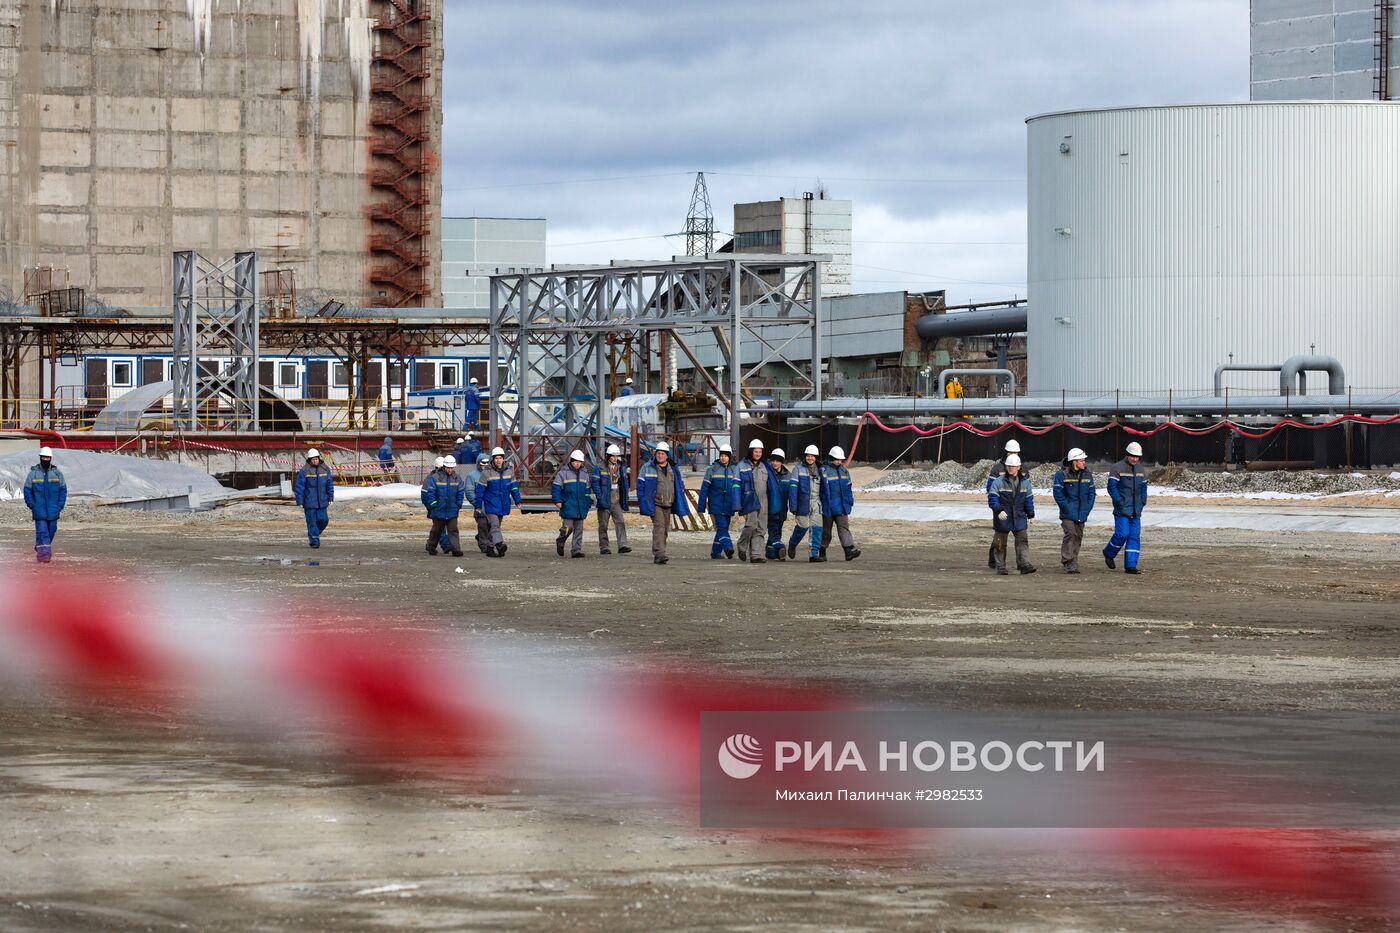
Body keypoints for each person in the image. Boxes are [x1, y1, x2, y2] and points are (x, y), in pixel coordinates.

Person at [636, 440, 689, 565]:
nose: (660, 456)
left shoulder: (673, 469)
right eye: (658, 453)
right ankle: (659, 554)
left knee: (665, 529)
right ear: (655, 454)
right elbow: (640, 485)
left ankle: (660, 551)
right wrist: (642, 501)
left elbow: (679, 484)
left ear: (667, 455)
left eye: (662, 454)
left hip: (669, 503)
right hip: (655, 503)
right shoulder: (647, 467)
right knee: (659, 527)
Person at [1104, 441, 1148, 575]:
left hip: (1136, 510)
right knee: (1122, 534)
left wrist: (1142, 501)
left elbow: (1144, 487)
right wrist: (1119, 501)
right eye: (1132, 456)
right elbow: (1112, 487)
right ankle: (1109, 553)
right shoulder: (1117, 467)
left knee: (1134, 537)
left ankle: (1130, 566)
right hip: (1122, 509)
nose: (1135, 459)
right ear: (1127, 454)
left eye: (1137, 456)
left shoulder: (1141, 469)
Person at [988, 453, 1036, 575]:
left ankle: (1024, 564)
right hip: (1003, 517)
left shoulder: (1025, 483)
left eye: (1013, 466)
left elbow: (1028, 499)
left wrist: (1030, 514)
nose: (1010, 468)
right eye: (1008, 466)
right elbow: (993, 498)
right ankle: (1000, 567)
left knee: (1022, 541)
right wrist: (998, 510)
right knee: (1000, 543)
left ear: (1018, 467)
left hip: (1019, 516)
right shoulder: (998, 482)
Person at [1052, 447, 1096, 574]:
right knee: (1070, 533)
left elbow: (1092, 493)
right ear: (1074, 461)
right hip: (1067, 513)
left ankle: (1073, 561)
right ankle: (1067, 560)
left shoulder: (1087, 474)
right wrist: (1067, 506)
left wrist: (1088, 507)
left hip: (1082, 512)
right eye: (1081, 460)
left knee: (1078, 535)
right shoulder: (1061, 475)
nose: (1084, 463)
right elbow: (1058, 493)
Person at [22, 447, 67, 564]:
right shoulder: (33, 474)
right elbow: (27, 490)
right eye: (44, 457)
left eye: (47, 457)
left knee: (51, 531)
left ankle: (40, 547)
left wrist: (60, 505)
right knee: (43, 533)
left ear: (50, 458)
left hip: (53, 510)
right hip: (39, 510)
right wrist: (32, 505)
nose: (45, 459)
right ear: (40, 458)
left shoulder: (57, 473)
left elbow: (63, 490)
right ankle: (44, 557)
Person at [475, 446, 521, 557]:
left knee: (496, 527)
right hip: (490, 503)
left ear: (503, 459)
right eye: (496, 458)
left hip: (503, 503)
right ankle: (500, 544)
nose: (498, 460)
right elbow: (480, 491)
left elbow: (514, 488)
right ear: (493, 459)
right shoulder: (486, 473)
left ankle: (490, 549)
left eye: (500, 458)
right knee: (495, 525)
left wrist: (517, 500)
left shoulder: (509, 472)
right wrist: (478, 505)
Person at [697, 443, 741, 559]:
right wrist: (701, 506)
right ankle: (728, 547)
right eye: (722, 455)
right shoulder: (712, 469)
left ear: (729, 456)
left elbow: (738, 488)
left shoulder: (735, 469)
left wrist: (739, 504)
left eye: (726, 455)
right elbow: (704, 488)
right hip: (716, 504)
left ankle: (715, 552)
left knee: (724, 528)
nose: (723, 457)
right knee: (721, 526)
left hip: (729, 504)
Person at [820, 446, 860, 561]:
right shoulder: (824, 470)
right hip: (827, 508)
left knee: (844, 529)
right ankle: (822, 552)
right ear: (831, 458)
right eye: (836, 459)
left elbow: (848, 487)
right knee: (826, 531)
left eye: (840, 460)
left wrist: (849, 502)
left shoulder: (844, 471)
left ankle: (849, 551)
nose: (838, 461)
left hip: (841, 507)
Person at [552, 450, 594, 559]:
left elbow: (587, 490)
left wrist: (587, 502)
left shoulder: (585, 474)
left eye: (579, 461)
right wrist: (558, 501)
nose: (577, 463)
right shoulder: (563, 473)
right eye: (576, 461)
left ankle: (576, 550)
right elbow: (556, 488)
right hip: (568, 504)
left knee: (579, 529)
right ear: (571, 461)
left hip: (581, 506)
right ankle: (560, 541)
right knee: (567, 528)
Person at [786, 445, 825, 562]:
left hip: (816, 502)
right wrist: (793, 505)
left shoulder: (821, 469)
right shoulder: (798, 469)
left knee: (817, 528)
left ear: (816, 457)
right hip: (802, 502)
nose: (810, 458)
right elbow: (793, 488)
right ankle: (793, 543)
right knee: (803, 526)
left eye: (812, 456)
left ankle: (813, 555)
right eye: (808, 456)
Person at [986, 439, 1022, 568]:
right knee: (1001, 534)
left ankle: (1022, 563)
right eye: (1011, 452)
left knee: (1020, 535)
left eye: (1016, 452)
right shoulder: (997, 469)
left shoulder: (1021, 468)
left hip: (1016, 507)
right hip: (1001, 506)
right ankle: (994, 560)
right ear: (1006, 452)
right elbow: (991, 489)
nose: (1013, 454)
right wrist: (998, 507)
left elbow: (1025, 487)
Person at [422, 455, 466, 557]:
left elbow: (460, 492)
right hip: (439, 509)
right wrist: (433, 504)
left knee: (453, 530)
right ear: (444, 466)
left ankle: (456, 550)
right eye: (448, 467)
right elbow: (431, 492)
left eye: (452, 468)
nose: (450, 470)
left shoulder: (457, 478)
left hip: (452, 509)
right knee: (436, 531)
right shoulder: (435, 478)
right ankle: (431, 546)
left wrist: (458, 504)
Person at [592, 443, 631, 555]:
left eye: (616, 456)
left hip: (616, 499)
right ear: (608, 456)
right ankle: (604, 547)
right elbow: (595, 483)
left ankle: (623, 545)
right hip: (605, 499)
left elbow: (624, 482)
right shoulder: (599, 467)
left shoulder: (621, 467)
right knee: (603, 524)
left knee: (620, 522)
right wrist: (600, 497)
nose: (615, 458)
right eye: (613, 456)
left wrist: (625, 495)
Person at [736, 439, 769, 563]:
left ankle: (756, 555)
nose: (758, 454)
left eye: (760, 452)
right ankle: (742, 545)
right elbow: (736, 486)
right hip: (749, 500)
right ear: (751, 452)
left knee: (761, 528)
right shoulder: (741, 466)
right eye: (756, 451)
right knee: (751, 525)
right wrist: (737, 503)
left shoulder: (765, 466)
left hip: (763, 500)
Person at [294, 448, 335, 549]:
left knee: (323, 520)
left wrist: (331, 497)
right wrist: (300, 500)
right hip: (309, 502)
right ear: (309, 460)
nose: (314, 461)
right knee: (311, 522)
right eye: (312, 459)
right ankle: (314, 541)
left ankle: (315, 532)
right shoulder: (304, 471)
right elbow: (299, 487)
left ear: (318, 458)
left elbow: (329, 484)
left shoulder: (325, 469)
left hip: (322, 501)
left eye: (316, 459)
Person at [764, 448, 790, 561]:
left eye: (777, 461)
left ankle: (770, 552)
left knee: (777, 530)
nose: (775, 463)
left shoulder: (788, 475)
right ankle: (780, 548)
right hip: (770, 509)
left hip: (782, 509)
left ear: (781, 462)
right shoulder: (766, 473)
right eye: (773, 460)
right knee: (773, 530)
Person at [467, 453, 493, 553]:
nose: (485, 465)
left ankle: (486, 542)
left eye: (487, 463)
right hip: (480, 508)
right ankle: (484, 546)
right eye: (483, 463)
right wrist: (478, 504)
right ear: (479, 464)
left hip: (492, 507)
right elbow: (469, 492)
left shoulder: (492, 474)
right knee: (483, 526)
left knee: (491, 527)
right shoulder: (472, 476)